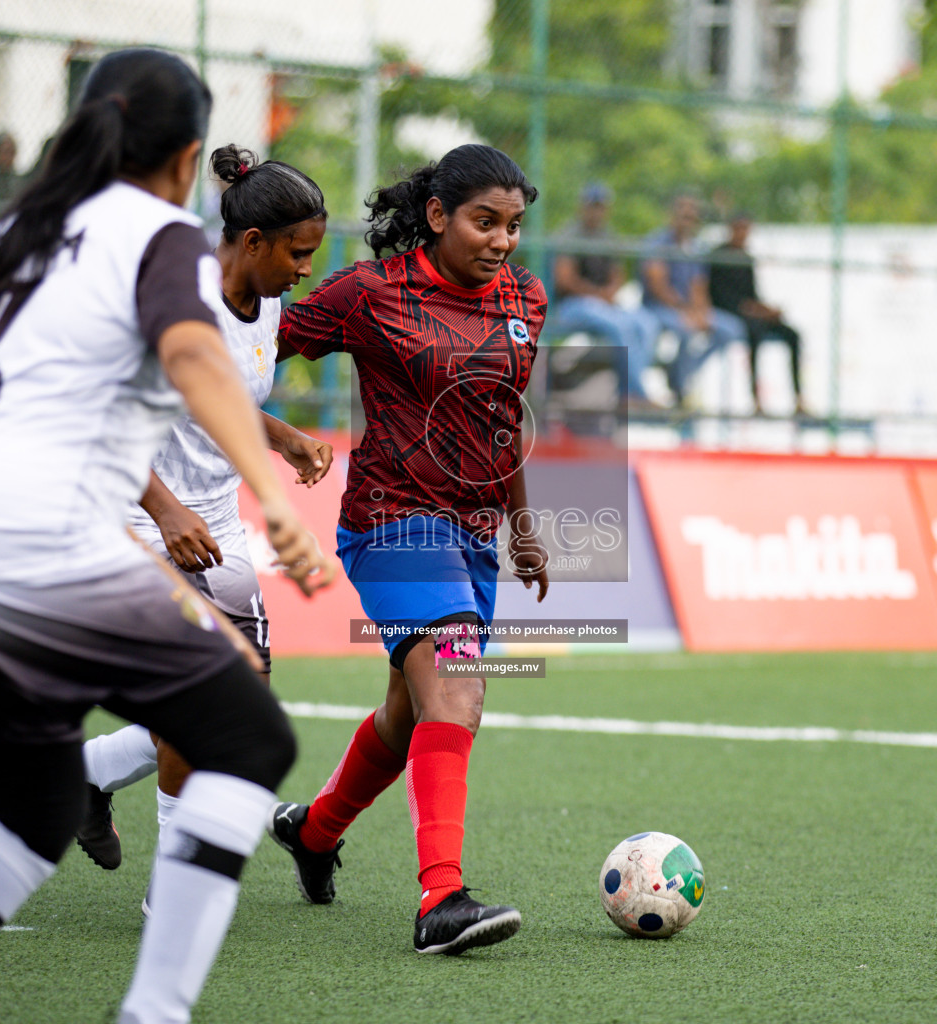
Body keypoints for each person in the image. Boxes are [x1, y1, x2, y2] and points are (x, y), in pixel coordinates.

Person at [0, 48, 334, 1024]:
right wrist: (266, 491)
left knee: (32, 810)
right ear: (189, 155)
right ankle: (154, 1011)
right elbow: (195, 349)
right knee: (245, 731)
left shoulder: (12, 231)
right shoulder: (161, 235)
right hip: (26, 522)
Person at [271, 143, 551, 955]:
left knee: (409, 713)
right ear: (436, 216)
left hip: (472, 536)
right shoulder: (371, 293)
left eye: (514, 225)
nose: (502, 241)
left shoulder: (525, 299)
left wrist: (521, 524)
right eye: (484, 222)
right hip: (393, 521)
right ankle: (442, 899)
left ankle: (314, 832)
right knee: (459, 692)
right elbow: (258, 344)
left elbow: (505, 418)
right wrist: (273, 432)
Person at [72, 144, 334, 904]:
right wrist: (164, 508)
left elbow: (216, 395)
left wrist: (282, 437)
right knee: (201, 706)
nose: (306, 269)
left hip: (214, 529)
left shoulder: (268, 300)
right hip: (137, 521)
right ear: (252, 242)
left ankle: (85, 776)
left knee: (234, 702)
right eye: (299, 252)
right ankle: (175, 887)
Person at [545, 183, 660, 406]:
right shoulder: (569, 234)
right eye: (592, 205)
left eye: (601, 206)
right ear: (583, 206)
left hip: (602, 305)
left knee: (646, 322)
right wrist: (598, 294)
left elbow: (618, 276)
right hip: (572, 305)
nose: (596, 211)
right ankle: (634, 395)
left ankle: (628, 389)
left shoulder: (609, 236)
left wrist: (608, 292)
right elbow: (565, 280)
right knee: (620, 325)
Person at [639, 193, 747, 403]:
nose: (687, 220)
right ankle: (680, 386)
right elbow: (658, 286)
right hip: (659, 307)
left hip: (686, 309)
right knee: (685, 330)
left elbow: (699, 286)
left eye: (692, 216)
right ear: (672, 215)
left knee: (731, 330)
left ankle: (679, 372)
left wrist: (701, 313)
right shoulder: (657, 242)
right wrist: (685, 311)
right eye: (683, 214)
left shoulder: (696, 247)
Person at [708, 211, 806, 415]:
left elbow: (752, 294)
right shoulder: (718, 256)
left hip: (751, 312)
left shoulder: (746, 258)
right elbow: (722, 297)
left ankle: (799, 399)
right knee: (755, 333)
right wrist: (754, 310)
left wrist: (766, 310)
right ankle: (756, 400)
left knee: (792, 335)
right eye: (740, 228)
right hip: (730, 314)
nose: (743, 233)